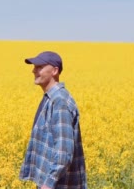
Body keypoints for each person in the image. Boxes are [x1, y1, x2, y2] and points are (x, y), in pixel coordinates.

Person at [19, 51, 87, 189]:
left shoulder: (59, 102)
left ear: (54, 71)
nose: (33, 70)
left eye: (39, 67)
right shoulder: (50, 99)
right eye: (34, 67)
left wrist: (48, 184)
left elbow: (64, 152)